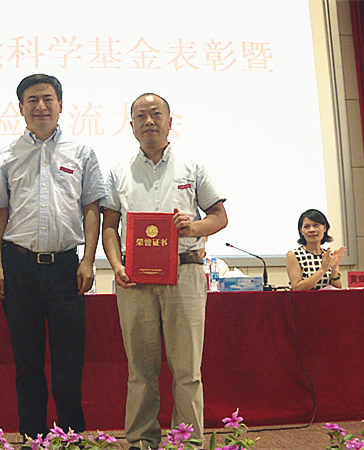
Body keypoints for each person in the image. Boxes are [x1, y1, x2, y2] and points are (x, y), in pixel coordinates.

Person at [101, 93, 228, 447]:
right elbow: (109, 226)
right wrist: (116, 265)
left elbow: (219, 217)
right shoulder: (118, 171)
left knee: (187, 370)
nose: (149, 121)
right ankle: (142, 440)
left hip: (184, 272)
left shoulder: (193, 165)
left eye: (156, 114)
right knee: (140, 370)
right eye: (141, 116)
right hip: (134, 279)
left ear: (170, 122)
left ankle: (187, 442)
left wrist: (192, 227)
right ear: (131, 126)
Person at [0, 74, 105, 440]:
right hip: (18, 266)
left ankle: (71, 436)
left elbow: (91, 208)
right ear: (21, 108)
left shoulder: (82, 152)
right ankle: (32, 437)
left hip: (66, 267)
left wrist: (88, 260)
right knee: (27, 362)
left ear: (61, 105)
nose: (41, 106)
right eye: (33, 100)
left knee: (69, 361)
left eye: (48, 99)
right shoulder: (6, 155)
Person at [285, 209, 345, 290]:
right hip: (303, 298)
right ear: (301, 231)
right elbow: (297, 288)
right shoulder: (294, 255)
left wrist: (334, 270)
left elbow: (337, 289)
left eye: (316, 225)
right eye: (307, 227)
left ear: (324, 228)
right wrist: (322, 270)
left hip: (327, 298)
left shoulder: (328, 256)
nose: (312, 230)